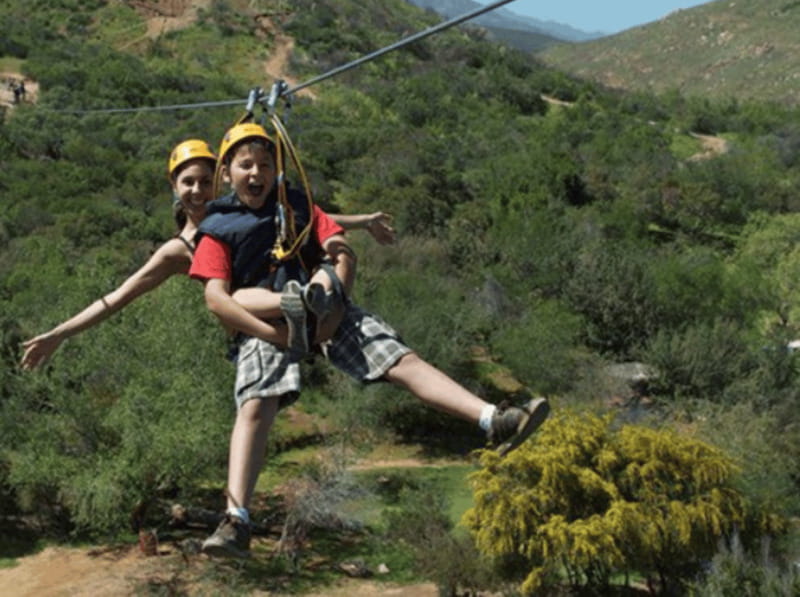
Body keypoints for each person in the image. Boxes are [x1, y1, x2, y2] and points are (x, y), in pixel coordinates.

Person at [189, 122, 550, 559]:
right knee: (256, 403)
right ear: (227, 173)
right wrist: (276, 334)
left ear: (277, 171)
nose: (256, 173)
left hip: (322, 310)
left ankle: (495, 418)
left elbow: (341, 249)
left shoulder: (299, 205)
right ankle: (236, 519)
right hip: (261, 320)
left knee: (399, 359)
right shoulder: (218, 226)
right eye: (245, 165)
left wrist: (334, 299)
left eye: (265, 164)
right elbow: (216, 299)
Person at [20, 138, 396, 370]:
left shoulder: (245, 212)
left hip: (298, 312)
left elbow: (305, 220)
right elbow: (118, 297)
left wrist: (363, 221)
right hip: (259, 325)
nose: (198, 191)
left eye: (205, 181)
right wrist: (60, 334)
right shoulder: (179, 250)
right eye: (188, 183)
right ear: (174, 187)